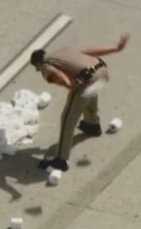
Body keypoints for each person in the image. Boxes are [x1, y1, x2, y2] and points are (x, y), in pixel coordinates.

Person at [30, 33, 129, 171]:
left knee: (68, 117)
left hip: (88, 80)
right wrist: (115, 48)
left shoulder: (46, 65)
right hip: (103, 73)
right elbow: (89, 52)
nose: (39, 70)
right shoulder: (63, 51)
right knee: (88, 95)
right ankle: (92, 124)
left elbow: (58, 75)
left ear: (38, 63)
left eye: (37, 68)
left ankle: (61, 159)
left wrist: (69, 85)